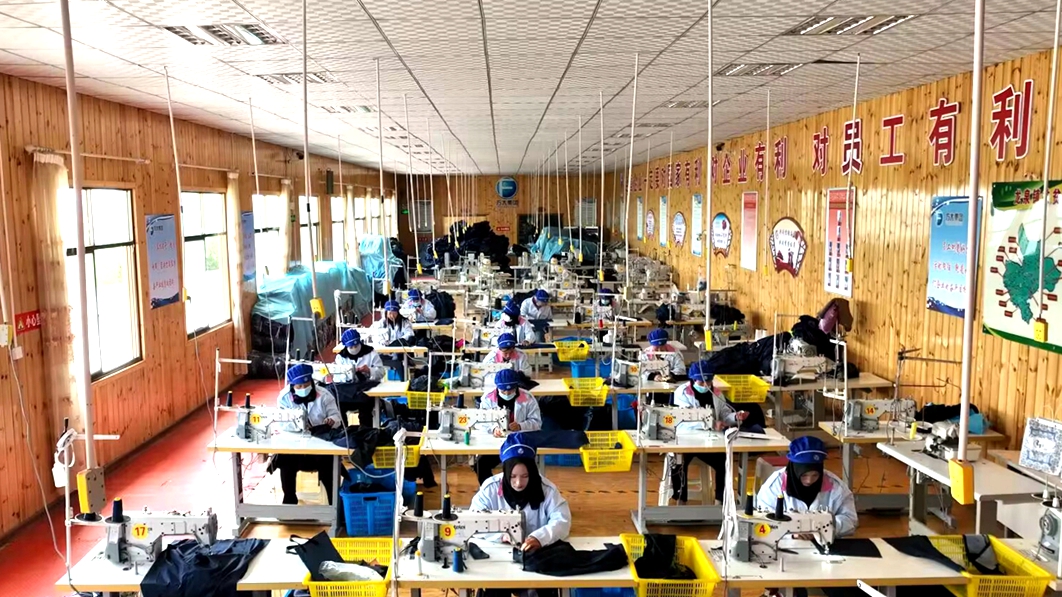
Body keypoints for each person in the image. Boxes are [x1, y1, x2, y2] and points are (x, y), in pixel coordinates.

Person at [668, 361, 764, 505]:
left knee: (724, 461)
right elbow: (683, 419)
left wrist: (735, 417)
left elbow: (724, 414)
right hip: (685, 436)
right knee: (678, 461)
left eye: (708, 381)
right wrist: (711, 424)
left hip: (709, 440)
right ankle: (680, 500)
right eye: (701, 381)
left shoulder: (716, 393)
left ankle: (720, 501)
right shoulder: (682, 393)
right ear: (693, 379)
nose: (705, 385)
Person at [469, 435, 571, 562]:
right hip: (498, 553)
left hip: (537, 555)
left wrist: (540, 538)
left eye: (525, 476)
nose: (518, 483)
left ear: (532, 472)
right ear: (506, 472)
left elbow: (562, 521)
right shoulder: (490, 489)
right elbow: (474, 521)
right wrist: (501, 536)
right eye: (512, 476)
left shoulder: (547, 490)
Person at [755, 436, 857, 537]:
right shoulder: (773, 488)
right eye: (804, 475)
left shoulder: (837, 488)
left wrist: (822, 528)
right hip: (783, 543)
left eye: (815, 475)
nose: (809, 481)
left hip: (825, 541)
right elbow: (763, 522)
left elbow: (850, 520)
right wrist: (792, 533)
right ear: (794, 470)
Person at [274, 363, 343, 505]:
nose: (303, 388)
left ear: (311, 381)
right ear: (292, 385)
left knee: (329, 463)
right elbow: (281, 423)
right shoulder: (284, 398)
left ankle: (334, 504)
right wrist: (298, 424)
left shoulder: (324, 396)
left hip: (320, 444)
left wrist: (332, 420)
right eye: (299, 386)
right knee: (284, 459)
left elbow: (337, 416)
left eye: (306, 385)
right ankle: (289, 499)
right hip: (294, 443)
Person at [473, 369, 542, 483]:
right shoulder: (488, 399)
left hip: (520, 441)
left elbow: (537, 422)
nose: (507, 394)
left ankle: (515, 489)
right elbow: (482, 421)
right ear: (497, 387)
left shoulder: (528, 398)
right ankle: (491, 490)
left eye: (510, 391)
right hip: (496, 441)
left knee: (515, 466)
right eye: (503, 391)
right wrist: (493, 428)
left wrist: (521, 426)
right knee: (480, 465)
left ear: (516, 386)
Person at [370, 300, 414, 379]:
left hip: (400, 352)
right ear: (386, 313)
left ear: (398, 313)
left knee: (400, 362)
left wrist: (398, 342)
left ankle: (404, 381)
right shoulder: (380, 324)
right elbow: (376, 338)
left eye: (394, 313)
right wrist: (384, 343)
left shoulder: (404, 322)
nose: (392, 316)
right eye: (390, 313)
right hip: (384, 352)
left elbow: (410, 334)